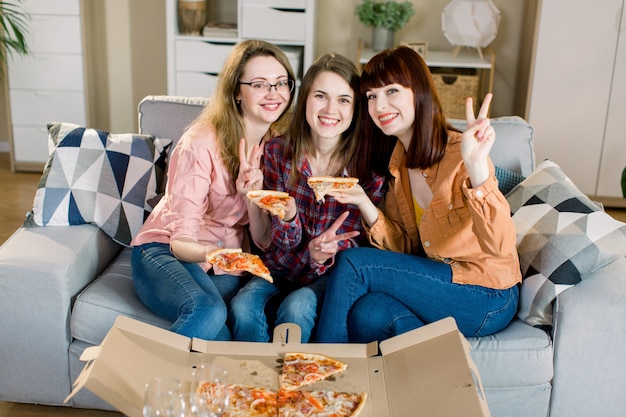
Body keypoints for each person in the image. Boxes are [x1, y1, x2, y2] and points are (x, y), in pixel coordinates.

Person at [315, 46, 521, 343]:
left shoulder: (462, 154)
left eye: (391, 91)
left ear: (419, 92)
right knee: (368, 314)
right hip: (441, 286)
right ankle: (439, 362)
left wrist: (477, 166)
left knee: (353, 263)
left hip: (487, 294)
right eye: (372, 96)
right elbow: (404, 248)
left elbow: (500, 245)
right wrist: (363, 202)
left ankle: (321, 380)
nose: (379, 105)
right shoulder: (398, 165)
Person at [130, 39, 296, 341]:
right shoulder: (200, 143)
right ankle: (144, 379)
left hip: (222, 265)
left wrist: (251, 199)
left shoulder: (277, 146)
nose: (274, 93)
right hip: (166, 251)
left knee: (226, 338)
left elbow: (261, 238)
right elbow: (181, 241)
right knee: (209, 311)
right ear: (236, 92)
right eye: (259, 85)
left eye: (281, 82)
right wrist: (216, 254)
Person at [230, 53, 386, 342]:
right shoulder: (277, 152)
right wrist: (288, 217)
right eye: (320, 96)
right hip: (279, 268)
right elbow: (272, 243)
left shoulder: (369, 169)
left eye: (343, 99)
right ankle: (253, 382)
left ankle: (294, 385)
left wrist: (324, 253)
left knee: (297, 306)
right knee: (242, 307)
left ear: (355, 109)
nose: (330, 109)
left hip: (328, 277)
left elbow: (364, 241)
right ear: (304, 101)